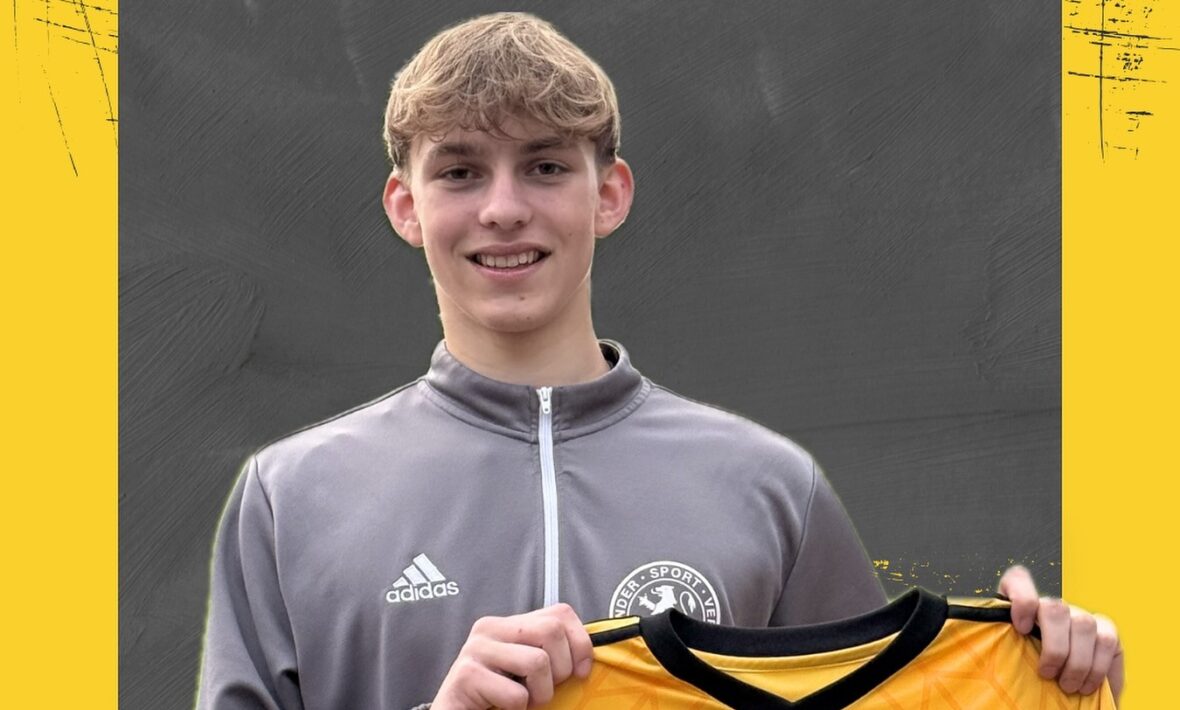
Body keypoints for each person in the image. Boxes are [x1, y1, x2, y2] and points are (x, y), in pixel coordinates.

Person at [196, 12, 1122, 710]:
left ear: (611, 195)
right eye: (461, 171)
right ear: (406, 206)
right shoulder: (289, 498)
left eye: (546, 166)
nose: (504, 208)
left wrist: (1044, 672)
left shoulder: (771, 487)